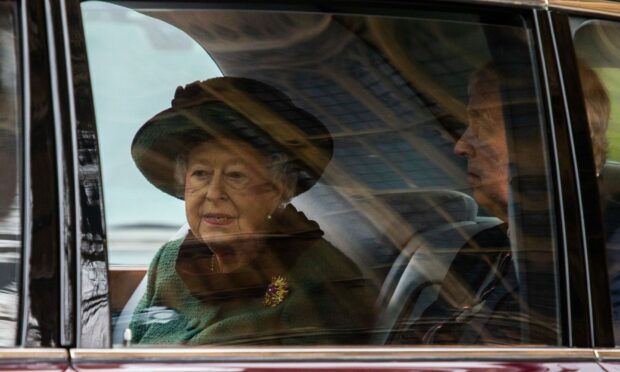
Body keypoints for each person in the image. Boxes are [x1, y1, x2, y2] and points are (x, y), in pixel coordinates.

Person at [127, 77, 377, 345]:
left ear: (278, 187)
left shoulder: (321, 285)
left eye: (235, 175)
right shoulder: (170, 260)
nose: (213, 193)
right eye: (200, 174)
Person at [401, 62, 610, 345]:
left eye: (483, 124)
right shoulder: (483, 247)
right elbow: (411, 347)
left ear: (549, 144)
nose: (460, 146)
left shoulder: (601, 258)